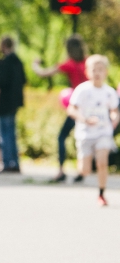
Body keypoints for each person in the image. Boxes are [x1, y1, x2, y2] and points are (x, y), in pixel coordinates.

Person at [32, 34, 88, 183]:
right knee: (82, 138)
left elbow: (43, 73)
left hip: (77, 107)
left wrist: (35, 64)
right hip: (89, 107)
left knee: (62, 136)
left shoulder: (69, 64)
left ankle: (61, 171)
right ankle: (82, 170)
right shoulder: (88, 63)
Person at [67, 55, 118, 206]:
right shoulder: (82, 90)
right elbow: (71, 109)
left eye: (100, 70)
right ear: (87, 72)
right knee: (85, 170)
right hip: (85, 133)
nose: (97, 73)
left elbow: (114, 110)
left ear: (106, 72)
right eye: (94, 70)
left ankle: (101, 194)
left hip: (103, 132)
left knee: (102, 163)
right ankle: (83, 168)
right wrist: (84, 120)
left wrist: (114, 119)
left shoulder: (109, 92)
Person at [0, 36, 26, 173]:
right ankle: (15, 162)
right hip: (15, 102)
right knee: (12, 133)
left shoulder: (6, 62)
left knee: (5, 133)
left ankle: (7, 163)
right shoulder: (18, 61)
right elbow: (24, 79)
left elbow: (3, 81)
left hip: (6, 102)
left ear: (3, 46)